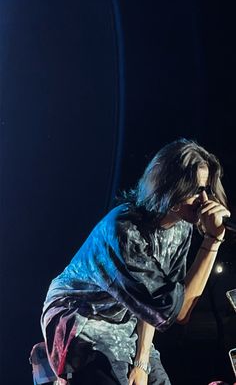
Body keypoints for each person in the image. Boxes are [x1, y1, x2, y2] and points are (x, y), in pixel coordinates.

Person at [40, 138, 230, 385]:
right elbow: (174, 309)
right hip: (81, 315)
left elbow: (160, 307)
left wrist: (141, 363)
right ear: (169, 186)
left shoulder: (181, 228)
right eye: (195, 189)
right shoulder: (124, 230)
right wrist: (212, 241)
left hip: (126, 320)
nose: (204, 200)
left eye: (206, 189)